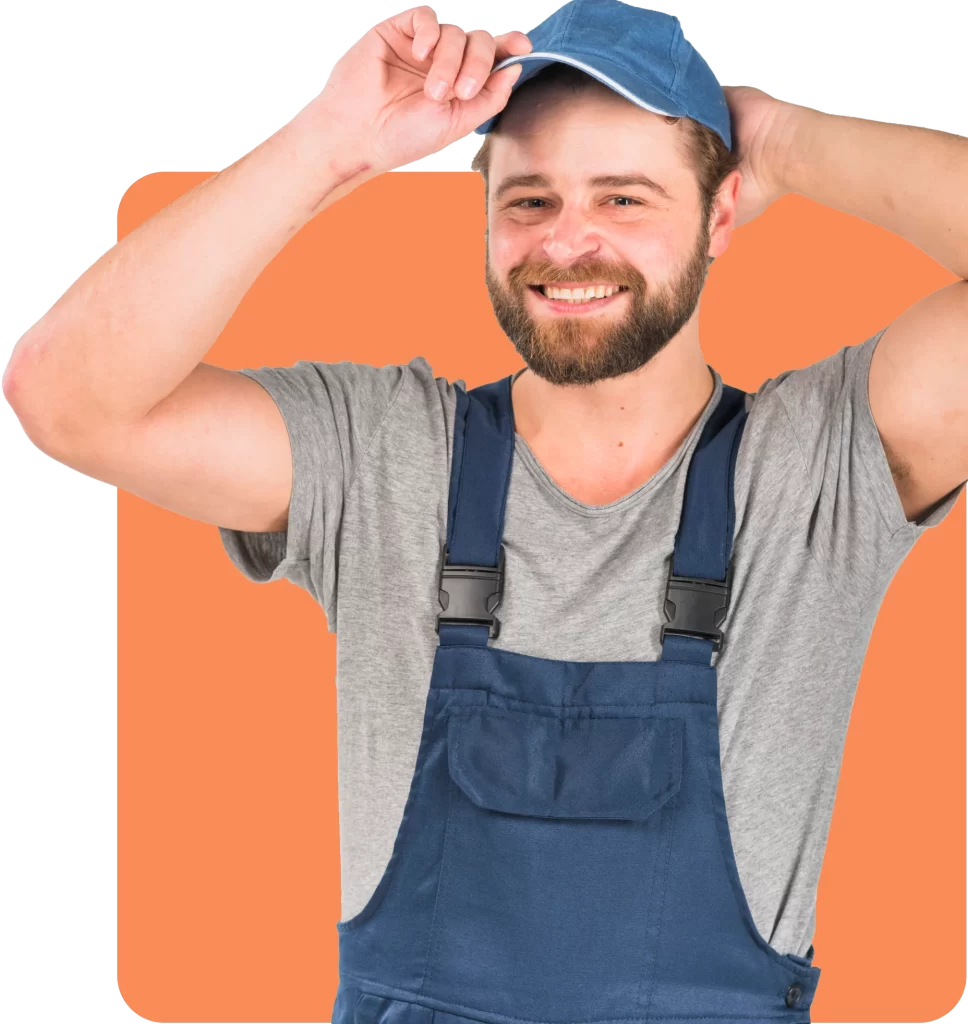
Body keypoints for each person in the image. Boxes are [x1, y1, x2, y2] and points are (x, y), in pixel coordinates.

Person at [4, 1, 965, 1020]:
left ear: (718, 215)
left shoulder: (815, 471)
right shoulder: (386, 456)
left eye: (624, 198)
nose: (568, 242)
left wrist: (775, 139)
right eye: (528, 201)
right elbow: (65, 399)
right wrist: (329, 147)